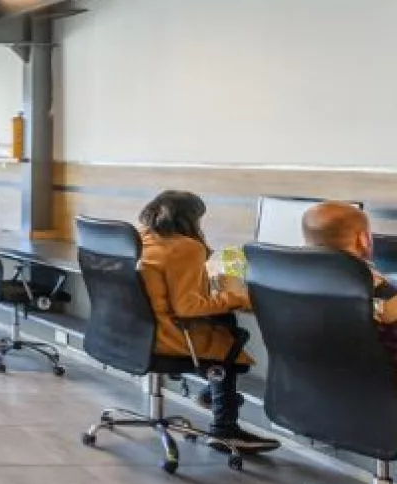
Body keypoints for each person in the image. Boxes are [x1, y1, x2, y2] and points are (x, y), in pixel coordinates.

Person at [137, 190, 278, 453]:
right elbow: (188, 307)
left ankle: (214, 398)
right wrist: (238, 297)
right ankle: (224, 428)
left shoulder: (143, 239)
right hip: (168, 339)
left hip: (136, 335)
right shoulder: (186, 247)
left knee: (223, 323)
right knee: (230, 339)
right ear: (189, 220)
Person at [301, 201, 397, 369]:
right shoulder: (383, 295)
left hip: (299, 380)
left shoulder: (282, 286)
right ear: (363, 239)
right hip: (376, 381)